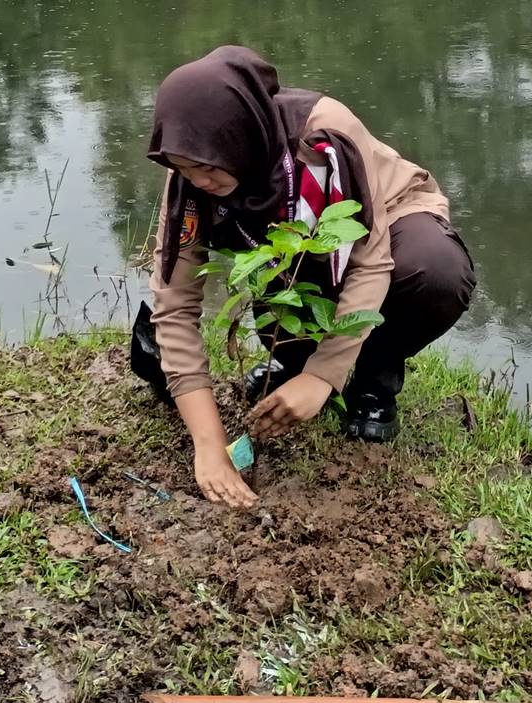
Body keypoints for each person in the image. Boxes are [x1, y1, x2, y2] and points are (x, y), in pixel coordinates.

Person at [137, 46, 476, 508]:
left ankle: (373, 380)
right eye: (184, 169)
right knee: (292, 340)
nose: (198, 181)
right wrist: (209, 444)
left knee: (434, 271)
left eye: (207, 168)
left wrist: (323, 376)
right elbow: (174, 306)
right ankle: (294, 362)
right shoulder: (190, 173)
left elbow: (370, 261)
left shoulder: (324, 138)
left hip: (387, 223)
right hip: (289, 250)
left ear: (239, 138)